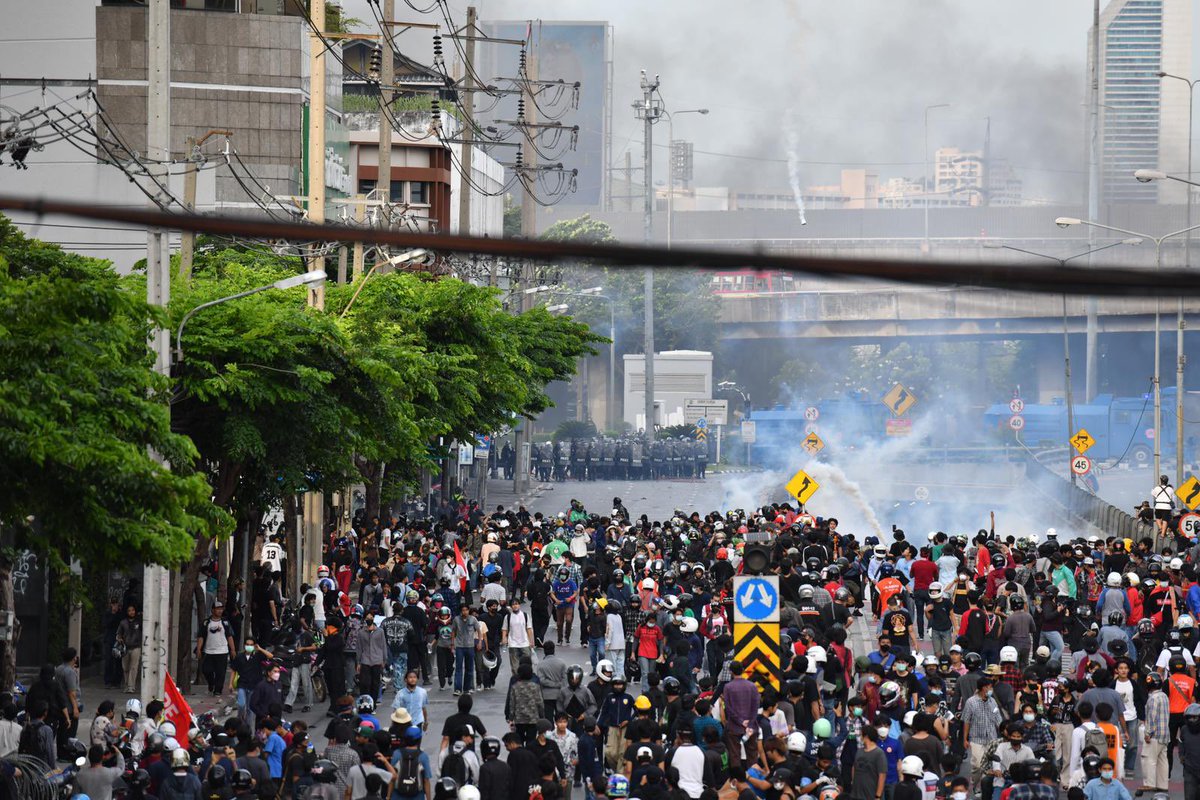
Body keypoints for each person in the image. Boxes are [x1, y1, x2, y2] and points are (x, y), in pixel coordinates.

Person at [720, 661, 760, 769]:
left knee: (734, 754)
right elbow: (755, 706)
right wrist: (749, 722)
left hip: (734, 726)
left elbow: (728, 708)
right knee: (752, 754)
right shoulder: (752, 686)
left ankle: (737, 779)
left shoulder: (728, 687)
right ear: (742, 670)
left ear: (731, 672)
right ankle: (753, 777)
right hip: (751, 726)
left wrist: (740, 721)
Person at [196, 601, 236, 696]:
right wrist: (198, 649)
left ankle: (218, 690)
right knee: (206, 670)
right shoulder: (206, 623)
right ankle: (211, 683)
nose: (220, 611)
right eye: (218, 609)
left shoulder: (225, 622)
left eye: (221, 609)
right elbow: (201, 636)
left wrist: (233, 649)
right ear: (213, 610)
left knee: (220, 672)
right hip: (209, 651)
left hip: (222, 651)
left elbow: (230, 636)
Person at [850, 725, 886, 800]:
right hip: (856, 795)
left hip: (871, 795)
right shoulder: (859, 751)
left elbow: (882, 775)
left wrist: (878, 796)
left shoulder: (879, 753)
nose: (860, 737)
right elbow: (854, 767)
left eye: (861, 735)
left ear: (866, 736)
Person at [117, 604, 143, 694]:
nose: (131, 612)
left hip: (136, 646)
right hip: (125, 647)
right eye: (129, 610)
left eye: (133, 610)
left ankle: (131, 687)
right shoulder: (123, 622)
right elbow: (118, 634)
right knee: (125, 667)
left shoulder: (139, 622)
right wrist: (119, 639)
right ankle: (126, 685)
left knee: (134, 667)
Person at [1153, 475, 1176, 539]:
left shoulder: (1157, 488)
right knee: (1165, 520)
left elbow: (1153, 494)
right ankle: (1162, 534)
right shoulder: (1170, 489)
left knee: (1158, 518)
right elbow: (1173, 499)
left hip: (1158, 505)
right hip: (1167, 506)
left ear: (1161, 481)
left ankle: (1160, 528)